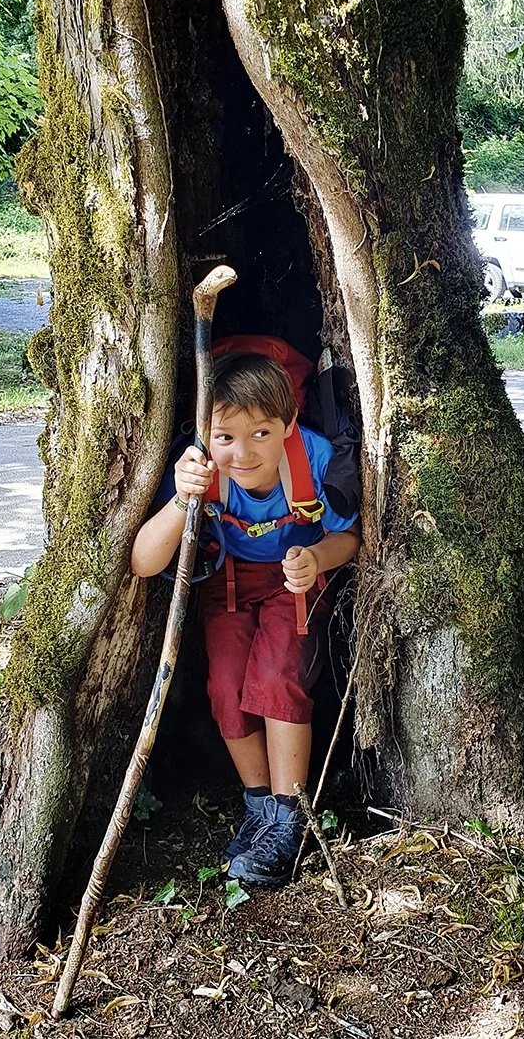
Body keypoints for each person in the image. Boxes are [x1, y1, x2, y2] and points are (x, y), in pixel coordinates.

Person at [130, 351, 360, 888]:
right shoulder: (201, 472)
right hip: (229, 584)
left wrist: (316, 561)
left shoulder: (314, 458)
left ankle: (289, 817)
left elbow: (348, 536)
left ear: (288, 424)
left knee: (277, 678)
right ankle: (259, 807)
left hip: (294, 578)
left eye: (261, 433)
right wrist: (181, 499)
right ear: (206, 434)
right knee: (226, 687)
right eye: (225, 436)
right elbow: (144, 562)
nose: (243, 451)